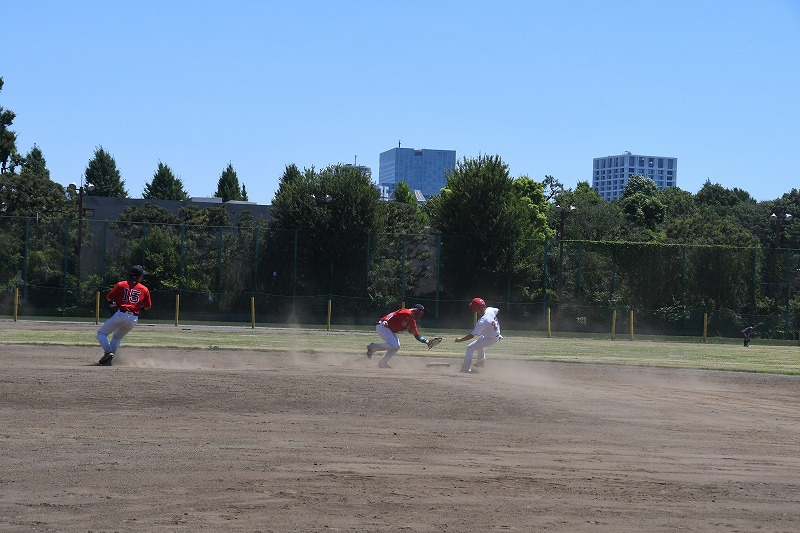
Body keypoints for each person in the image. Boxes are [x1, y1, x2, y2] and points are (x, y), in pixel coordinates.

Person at [96, 265, 152, 366]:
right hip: (133, 319)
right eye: (141, 275)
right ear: (138, 276)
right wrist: (138, 309)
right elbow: (148, 306)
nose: (142, 277)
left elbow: (109, 297)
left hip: (121, 314)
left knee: (101, 333)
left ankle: (108, 353)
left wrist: (111, 303)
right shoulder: (144, 289)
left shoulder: (121, 284)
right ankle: (109, 359)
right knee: (117, 337)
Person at [366, 304, 431, 368]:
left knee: (397, 346)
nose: (422, 313)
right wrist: (385, 320)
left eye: (423, 312)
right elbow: (393, 314)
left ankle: (382, 362)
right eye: (421, 311)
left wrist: (426, 341)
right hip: (383, 326)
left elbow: (417, 335)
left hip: (389, 330)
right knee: (394, 345)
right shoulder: (406, 312)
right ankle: (373, 347)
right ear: (415, 310)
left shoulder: (412, 322)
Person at [455, 298, 502, 374]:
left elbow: (472, 335)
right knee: (480, 343)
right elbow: (498, 310)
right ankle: (481, 362)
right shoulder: (490, 310)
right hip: (495, 335)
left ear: (475, 310)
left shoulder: (482, 321)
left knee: (470, 348)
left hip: (490, 339)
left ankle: (465, 369)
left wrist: (460, 339)